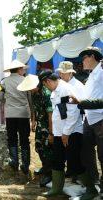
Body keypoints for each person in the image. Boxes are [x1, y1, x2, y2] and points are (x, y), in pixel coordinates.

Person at [39, 70, 88, 197]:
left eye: (45, 85)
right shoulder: (56, 91)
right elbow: (59, 112)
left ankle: (91, 189)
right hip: (60, 132)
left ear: (48, 81)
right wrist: (57, 133)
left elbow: (73, 113)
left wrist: (65, 133)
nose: (45, 87)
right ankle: (57, 189)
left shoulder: (65, 90)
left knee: (75, 162)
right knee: (57, 160)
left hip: (71, 132)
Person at [17, 74, 53, 186]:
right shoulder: (34, 94)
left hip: (48, 125)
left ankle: (49, 173)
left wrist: (51, 132)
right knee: (39, 147)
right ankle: (44, 166)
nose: (29, 90)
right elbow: (34, 108)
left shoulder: (46, 94)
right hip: (40, 124)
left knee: (48, 149)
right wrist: (33, 121)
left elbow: (50, 114)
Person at [77, 46, 103, 200]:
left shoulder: (101, 70)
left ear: (92, 56)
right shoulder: (92, 75)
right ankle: (93, 185)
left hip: (101, 118)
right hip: (89, 118)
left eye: (84, 57)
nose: (82, 61)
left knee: (102, 155)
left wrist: (88, 103)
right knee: (85, 153)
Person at [0, 60, 31, 175]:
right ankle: (25, 165)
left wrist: (8, 102)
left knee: (12, 138)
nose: (23, 70)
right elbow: (30, 99)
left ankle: (14, 162)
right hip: (23, 114)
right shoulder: (26, 81)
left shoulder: (3, 82)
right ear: (19, 69)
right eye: (22, 68)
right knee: (24, 139)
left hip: (11, 114)